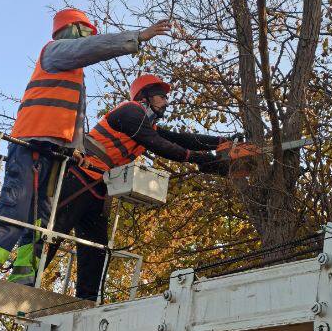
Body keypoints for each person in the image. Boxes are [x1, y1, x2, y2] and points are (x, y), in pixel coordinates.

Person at [0, 9, 172, 283]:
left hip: (58, 154)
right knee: (14, 211)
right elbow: (89, 48)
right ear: (73, 30)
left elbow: (73, 117)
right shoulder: (54, 53)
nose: (91, 37)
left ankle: (23, 282)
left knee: (42, 222)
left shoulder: (75, 76)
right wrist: (138, 36)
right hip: (30, 146)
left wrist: (77, 150)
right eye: (87, 32)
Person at [45, 73, 229, 303]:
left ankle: (86, 301)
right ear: (145, 96)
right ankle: (27, 279)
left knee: (96, 247)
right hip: (78, 177)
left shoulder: (146, 123)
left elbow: (181, 139)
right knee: (52, 232)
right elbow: (158, 144)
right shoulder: (130, 112)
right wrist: (200, 158)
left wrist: (221, 142)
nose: (166, 101)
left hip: (98, 187)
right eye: (161, 96)